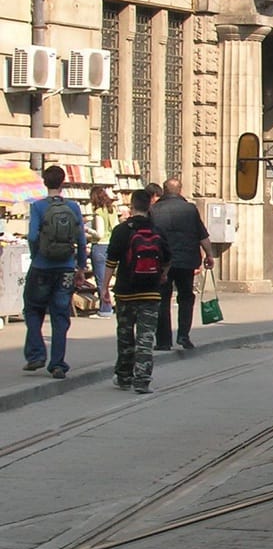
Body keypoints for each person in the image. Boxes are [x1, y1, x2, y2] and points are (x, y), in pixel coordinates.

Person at [22, 165, 88, 379]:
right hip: (66, 268)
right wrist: (80, 266)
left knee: (33, 308)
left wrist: (36, 256)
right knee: (61, 314)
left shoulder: (38, 207)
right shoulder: (73, 207)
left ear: (44, 182)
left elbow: (32, 236)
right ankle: (58, 363)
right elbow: (81, 239)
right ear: (63, 182)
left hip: (42, 266)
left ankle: (36, 355)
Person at [106, 189, 171, 393]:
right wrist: (162, 274)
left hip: (125, 291)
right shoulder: (157, 231)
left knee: (125, 335)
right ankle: (142, 379)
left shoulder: (121, 231)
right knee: (146, 337)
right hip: (150, 292)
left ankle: (124, 376)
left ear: (132, 206)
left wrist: (104, 288)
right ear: (150, 205)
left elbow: (111, 262)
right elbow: (168, 259)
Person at [150, 178, 215, 350]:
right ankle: (183, 336)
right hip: (186, 261)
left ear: (164, 190)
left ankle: (163, 341)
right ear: (180, 190)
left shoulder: (155, 210)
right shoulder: (190, 210)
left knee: (162, 300)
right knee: (186, 298)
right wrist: (209, 255)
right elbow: (202, 235)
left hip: (162, 262)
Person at [87, 185, 120, 318]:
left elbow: (99, 234)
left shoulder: (99, 212)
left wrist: (88, 230)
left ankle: (105, 308)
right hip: (111, 246)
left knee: (101, 280)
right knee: (111, 278)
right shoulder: (112, 210)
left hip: (100, 247)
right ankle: (112, 305)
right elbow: (116, 227)